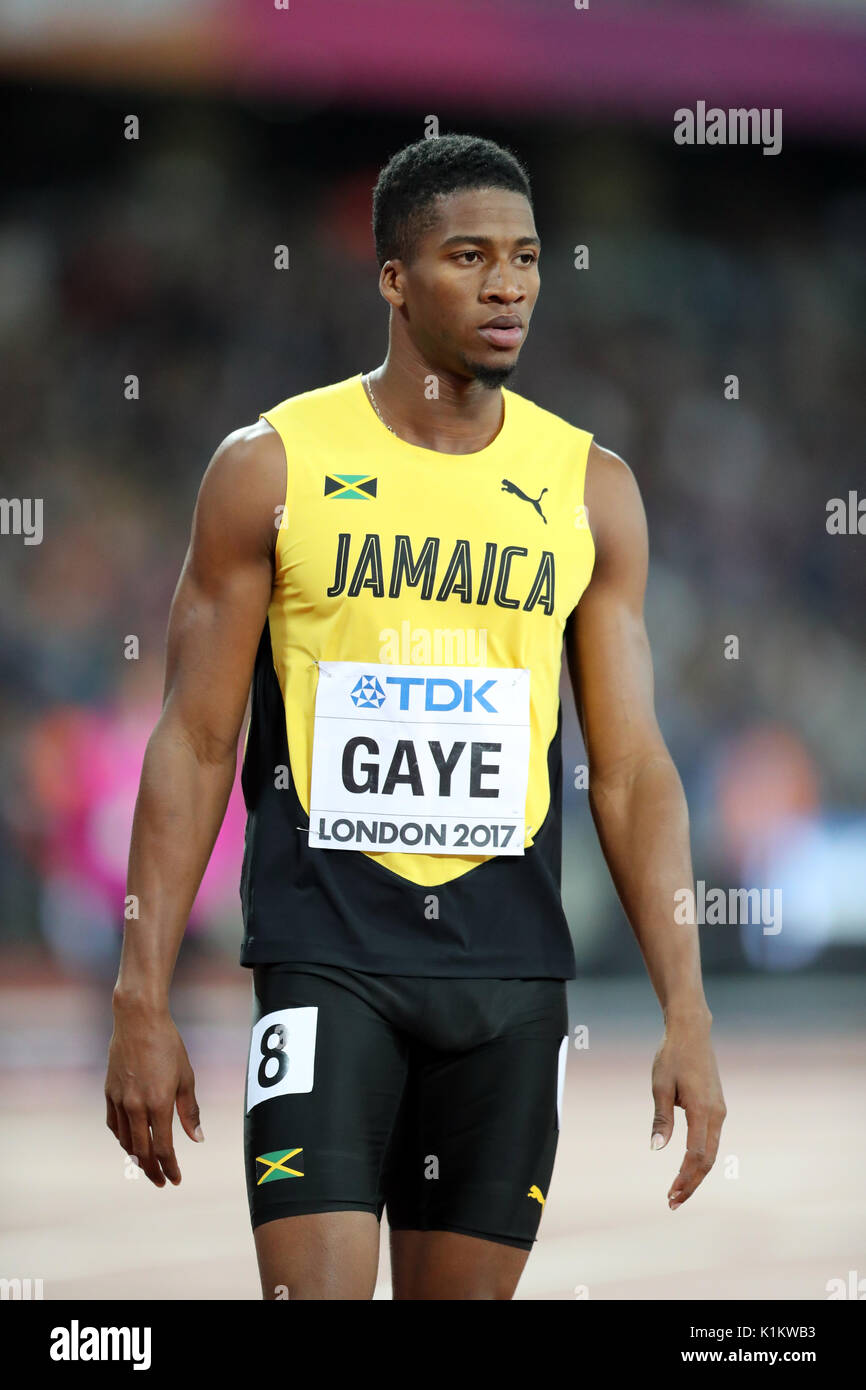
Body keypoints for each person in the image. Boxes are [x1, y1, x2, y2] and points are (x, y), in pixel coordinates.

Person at [105, 133, 725, 1300]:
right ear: (392, 276)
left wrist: (682, 1008)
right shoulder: (272, 467)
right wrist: (140, 992)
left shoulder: (587, 489)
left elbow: (633, 769)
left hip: (506, 981)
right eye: (470, 256)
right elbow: (193, 740)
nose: (508, 285)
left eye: (528, 258)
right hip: (328, 961)